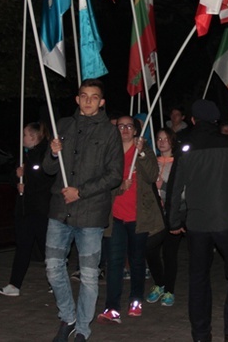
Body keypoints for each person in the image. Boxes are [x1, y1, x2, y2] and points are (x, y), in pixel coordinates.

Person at [166, 99, 228, 342]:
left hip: (197, 222)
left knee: (198, 278)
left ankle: (200, 334)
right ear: (216, 121)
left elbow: (175, 189)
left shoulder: (185, 147)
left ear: (193, 120)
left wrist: (174, 221)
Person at [43, 79, 123, 342]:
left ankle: (83, 330)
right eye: (83, 96)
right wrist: (53, 154)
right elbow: (48, 169)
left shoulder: (110, 133)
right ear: (77, 99)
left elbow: (114, 175)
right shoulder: (64, 125)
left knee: (88, 275)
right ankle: (68, 317)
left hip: (91, 213)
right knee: (54, 268)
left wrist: (81, 191)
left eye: (94, 97)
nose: (88, 101)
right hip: (60, 211)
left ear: (101, 102)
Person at [97, 116, 163, 324]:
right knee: (114, 263)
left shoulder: (143, 151)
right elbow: (100, 182)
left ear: (136, 130)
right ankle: (112, 307)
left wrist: (142, 152)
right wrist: (118, 189)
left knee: (136, 261)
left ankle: (136, 300)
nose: (124, 129)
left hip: (138, 217)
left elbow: (152, 175)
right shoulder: (108, 151)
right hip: (114, 216)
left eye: (129, 126)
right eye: (120, 126)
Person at [0, 122, 55, 296]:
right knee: (23, 246)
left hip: (40, 210)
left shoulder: (45, 154)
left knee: (47, 248)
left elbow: (46, 180)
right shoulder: (24, 156)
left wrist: (26, 183)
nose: (22, 138)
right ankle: (14, 284)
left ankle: (56, 282)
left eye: (25, 135)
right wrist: (17, 177)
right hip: (24, 209)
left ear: (34, 137)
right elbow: (13, 178)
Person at [146, 128, 181, 307]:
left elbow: (183, 191)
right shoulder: (152, 162)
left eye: (166, 139)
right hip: (153, 216)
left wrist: (164, 186)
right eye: (159, 139)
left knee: (169, 253)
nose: (162, 142)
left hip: (171, 215)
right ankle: (159, 283)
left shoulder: (179, 163)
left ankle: (169, 290)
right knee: (150, 250)